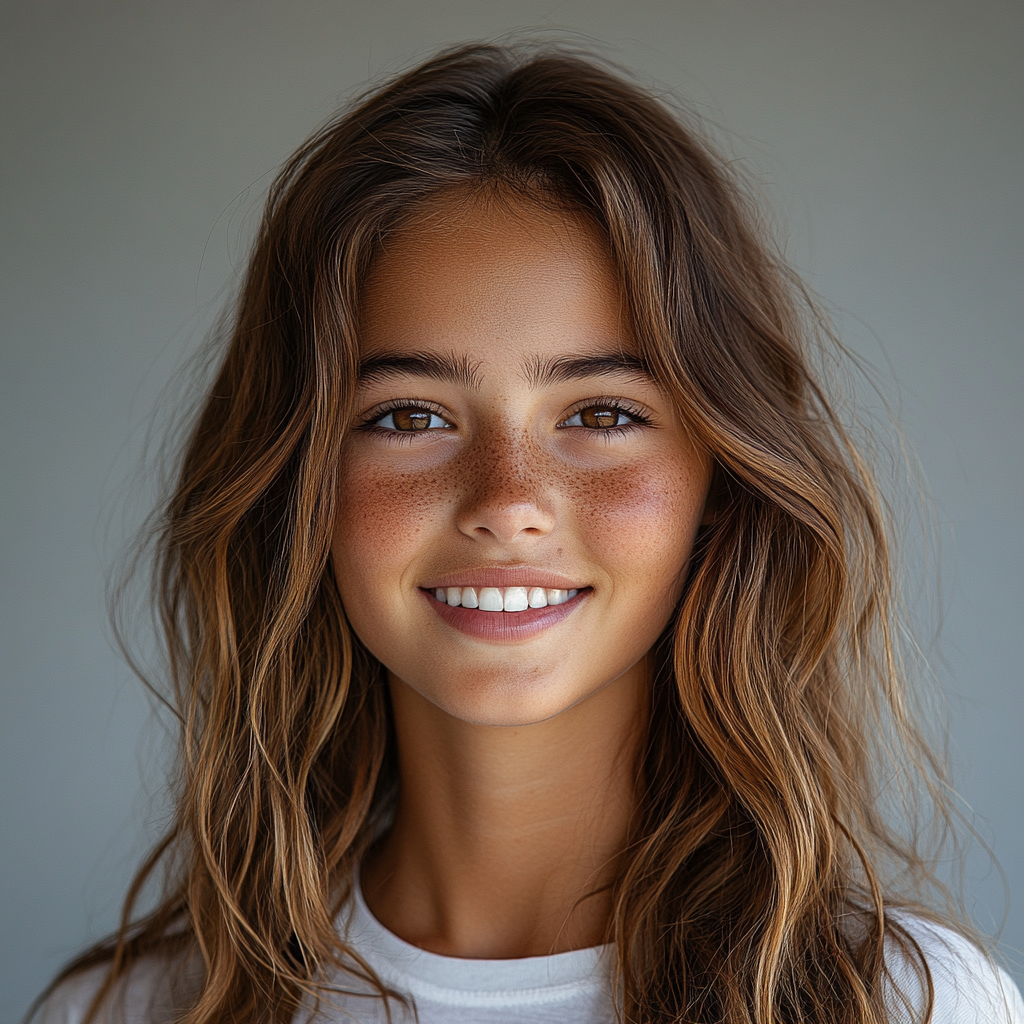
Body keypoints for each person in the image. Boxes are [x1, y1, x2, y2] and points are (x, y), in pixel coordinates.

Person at [29, 42, 1024, 1024]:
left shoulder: (900, 1005)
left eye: (599, 414)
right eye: (410, 416)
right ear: (299, 481)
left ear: (718, 479)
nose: (507, 498)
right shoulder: (130, 1010)